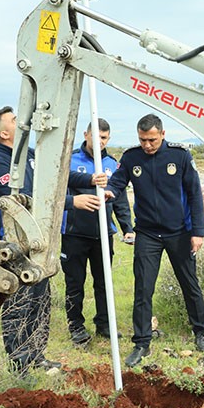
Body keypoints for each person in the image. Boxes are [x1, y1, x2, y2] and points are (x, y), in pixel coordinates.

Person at [0, 106, 106, 374]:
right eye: (15, 120)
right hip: (12, 248)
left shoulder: (28, 155)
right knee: (19, 303)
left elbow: (57, 175)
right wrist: (73, 202)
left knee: (39, 300)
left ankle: (36, 355)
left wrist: (90, 178)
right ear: (4, 133)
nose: (21, 122)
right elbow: (23, 202)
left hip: (37, 242)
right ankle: (20, 363)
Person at [106, 113, 204, 368]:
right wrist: (109, 190)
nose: (147, 145)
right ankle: (141, 342)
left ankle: (201, 332)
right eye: (142, 140)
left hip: (179, 232)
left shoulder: (180, 156)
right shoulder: (131, 158)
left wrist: (198, 232)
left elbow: (195, 195)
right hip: (148, 234)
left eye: (152, 140)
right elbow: (117, 183)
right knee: (143, 288)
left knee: (189, 283)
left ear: (162, 134)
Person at [61, 118, 134, 346]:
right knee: (75, 282)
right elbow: (58, 187)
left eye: (103, 137)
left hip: (103, 234)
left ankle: (104, 324)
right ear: (86, 135)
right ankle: (76, 326)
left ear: (108, 138)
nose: (99, 141)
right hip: (74, 232)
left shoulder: (113, 164)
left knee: (103, 281)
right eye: (95, 136)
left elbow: (120, 199)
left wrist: (127, 228)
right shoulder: (70, 160)